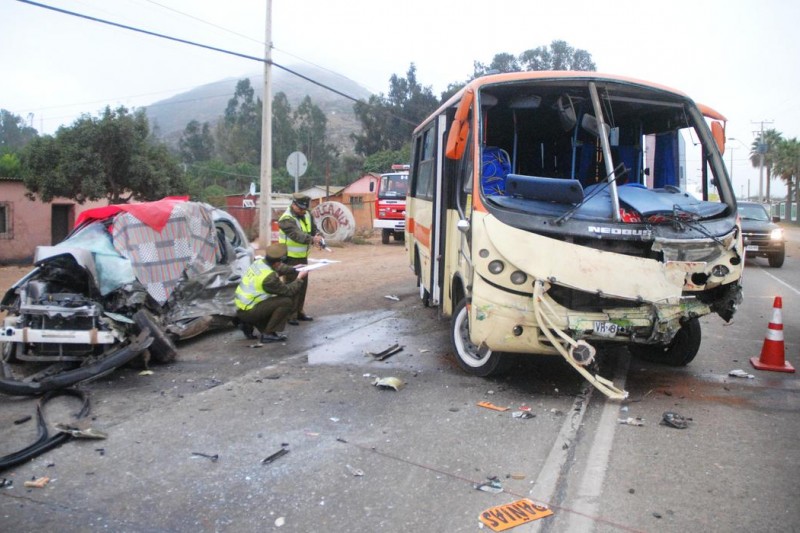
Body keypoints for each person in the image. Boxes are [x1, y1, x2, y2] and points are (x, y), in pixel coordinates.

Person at [234, 243, 307, 344]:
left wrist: (294, 269)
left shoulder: (259, 262)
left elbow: (278, 268)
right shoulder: (269, 278)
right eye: (280, 262)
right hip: (249, 310)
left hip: (242, 307)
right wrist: (299, 278)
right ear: (276, 263)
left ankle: (247, 323)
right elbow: (288, 291)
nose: (280, 264)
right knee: (286, 302)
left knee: (272, 301)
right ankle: (268, 334)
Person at [278, 193, 323, 324]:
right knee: (292, 286)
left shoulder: (307, 214)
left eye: (304, 208)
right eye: (300, 208)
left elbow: (314, 229)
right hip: (290, 258)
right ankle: (290, 315)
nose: (303, 211)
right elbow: (297, 235)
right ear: (293, 204)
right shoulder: (286, 219)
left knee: (302, 285)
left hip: (303, 257)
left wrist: (319, 236)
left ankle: (299, 311)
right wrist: (313, 239)